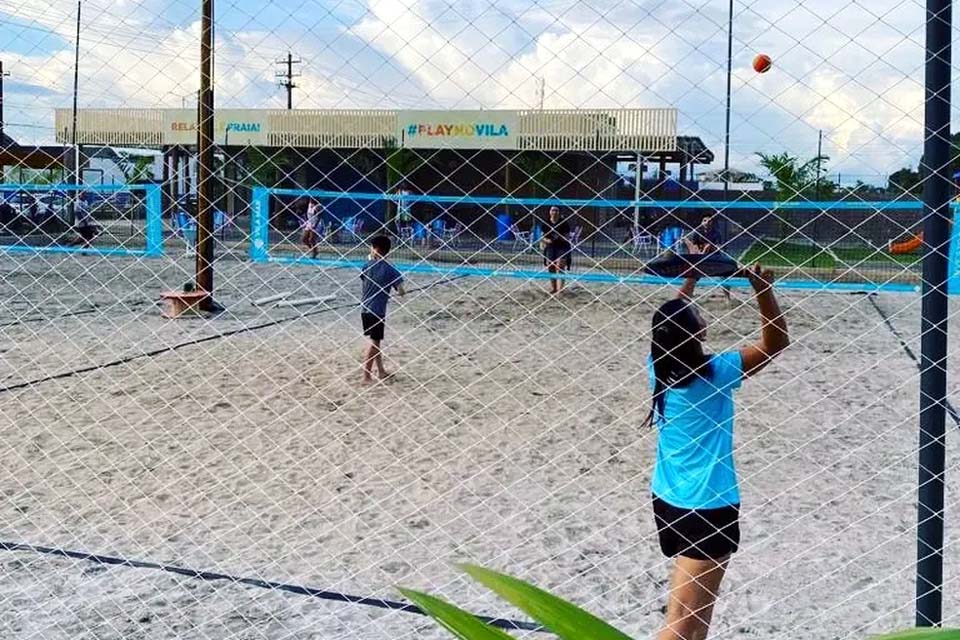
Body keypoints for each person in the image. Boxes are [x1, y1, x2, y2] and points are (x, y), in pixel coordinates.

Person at [647, 264, 788, 640]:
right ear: (696, 333)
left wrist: (690, 277)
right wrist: (762, 289)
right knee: (682, 624)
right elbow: (776, 343)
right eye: (697, 317)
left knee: (695, 622)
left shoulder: (657, 368)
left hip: (668, 498)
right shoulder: (716, 371)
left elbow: (670, 321)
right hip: (707, 508)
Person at [360, 234, 406, 384]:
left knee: (376, 341)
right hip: (377, 310)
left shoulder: (367, 265)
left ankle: (381, 371)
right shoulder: (390, 269)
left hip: (365, 309)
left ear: (375, 249)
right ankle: (366, 375)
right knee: (374, 343)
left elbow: (364, 278)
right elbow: (401, 291)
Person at [541, 205, 572, 295]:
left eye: (556, 210)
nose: (554, 212)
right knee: (551, 266)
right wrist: (547, 240)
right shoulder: (546, 223)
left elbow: (567, 237)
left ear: (559, 212)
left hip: (562, 246)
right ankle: (554, 288)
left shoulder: (564, 223)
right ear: (549, 212)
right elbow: (542, 237)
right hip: (550, 247)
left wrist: (559, 237)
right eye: (552, 210)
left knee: (560, 265)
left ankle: (560, 290)